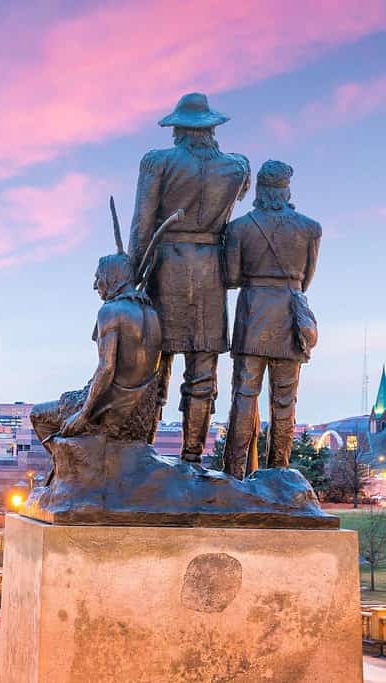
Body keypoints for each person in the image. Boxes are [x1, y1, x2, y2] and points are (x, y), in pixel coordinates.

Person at [128, 92, 250, 462]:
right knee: (202, 369)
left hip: (166, 267)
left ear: (178, 128)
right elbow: (240, 198)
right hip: (211, 269)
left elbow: (142, 223)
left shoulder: (157, 162)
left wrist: (131, 278)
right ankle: (192, 456)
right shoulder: (238, 167)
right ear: (212, 128)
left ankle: (143, 452)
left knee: (152, 365)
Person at [222, 160, 321, 479]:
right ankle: (278, 470)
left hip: (252, 317)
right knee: (284, 400)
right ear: (286, 189)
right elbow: (306, 280)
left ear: (261, 191)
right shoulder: (310, 228)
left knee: (244, 396)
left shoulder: (238, 228)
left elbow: (232, 277)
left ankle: (235, 472)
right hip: (289, 319)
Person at [31, 216, 163, 445]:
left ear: (112, 277)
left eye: (98, 277)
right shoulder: (151, 314)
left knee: (37, 415)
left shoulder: (110, 311)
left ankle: (72, 475)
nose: (95, 285)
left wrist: (82, 415)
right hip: (140, 414)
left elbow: (106, 368)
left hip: (112, 410)